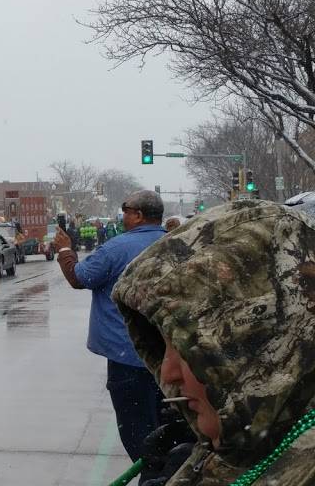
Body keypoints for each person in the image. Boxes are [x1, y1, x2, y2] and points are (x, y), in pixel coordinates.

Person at [112, 201, 315, 485]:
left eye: (185, 349)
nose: (167, 373)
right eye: (166, 347)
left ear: (255, 347)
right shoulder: (252, 446)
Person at [53, 189, 167, 462]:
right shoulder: (174, 243)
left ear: (138, 216)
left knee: (137, 432)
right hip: (169, 357)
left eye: (126, 210)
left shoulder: (116, 248)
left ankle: (152, 475)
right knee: (166, 428)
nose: (123, 215)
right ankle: (166, 472)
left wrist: (65, 250)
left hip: (128, 357)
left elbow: (80, 278)